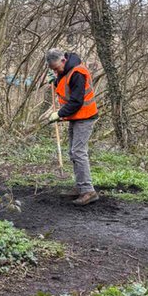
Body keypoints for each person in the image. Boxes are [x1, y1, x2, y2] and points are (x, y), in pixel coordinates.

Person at [41, 48, 99, 205]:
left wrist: (59, 114)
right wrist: (55, 80)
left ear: (63, 61)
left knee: (78, 152)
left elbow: (76, 101)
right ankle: (81, 187)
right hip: (77, 116)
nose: (56, 71)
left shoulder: (77, 73)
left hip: (85, 117)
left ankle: (88, 191)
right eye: (53, 70)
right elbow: (65, 87)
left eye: (56, 68)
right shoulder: (65, 70)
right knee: (73, 152)